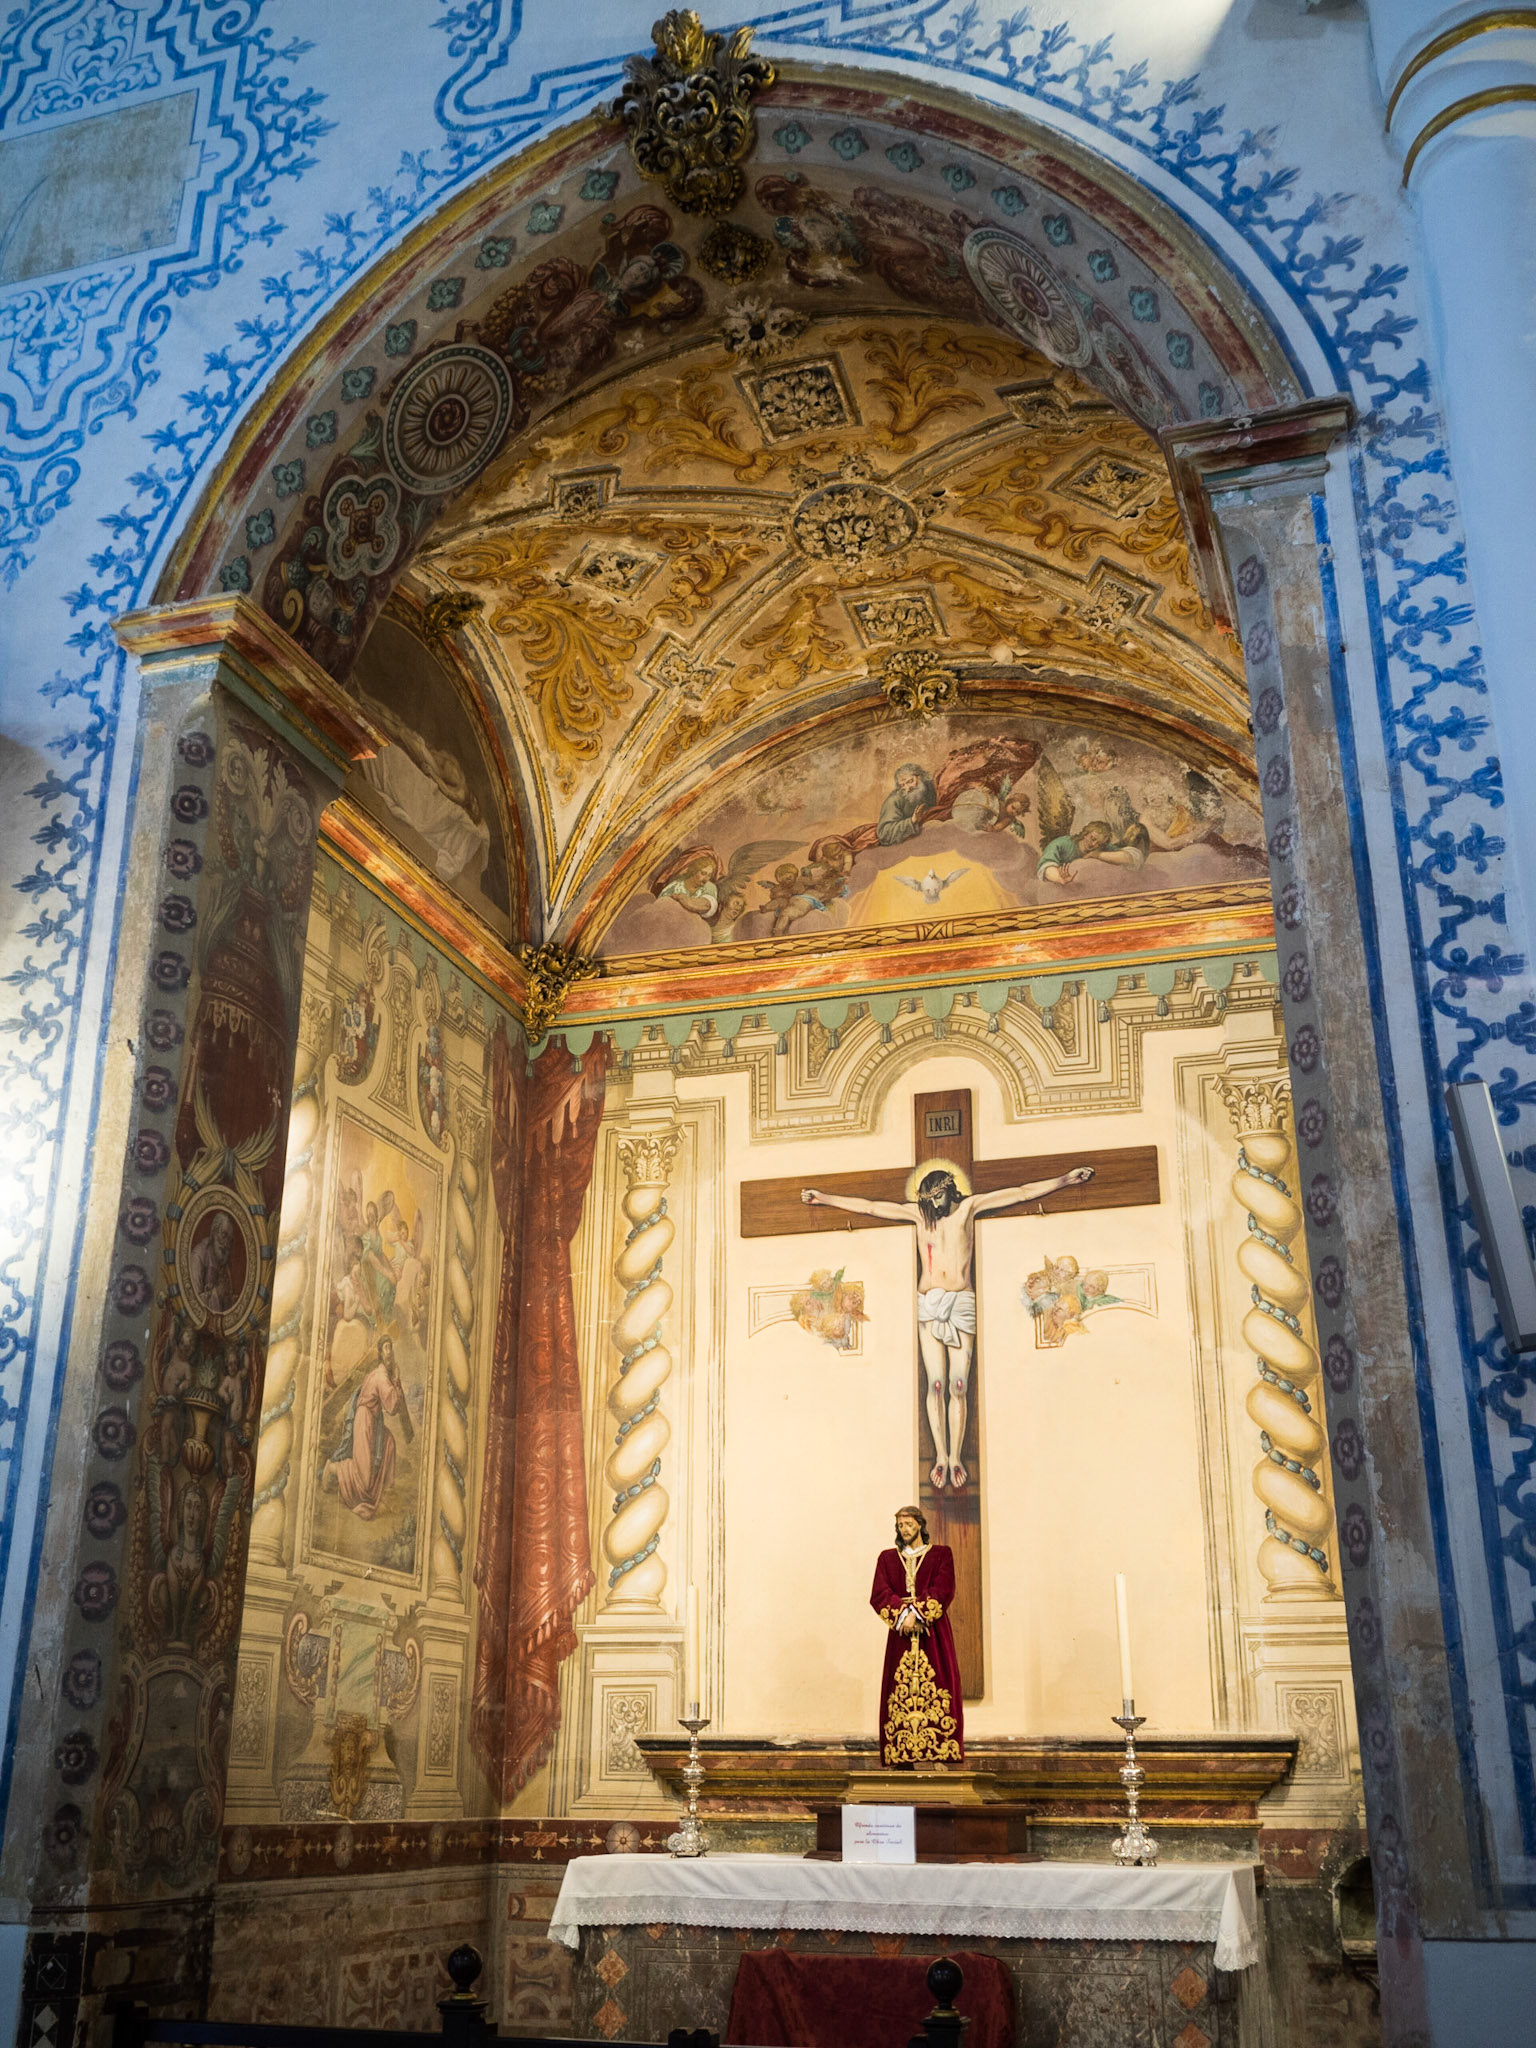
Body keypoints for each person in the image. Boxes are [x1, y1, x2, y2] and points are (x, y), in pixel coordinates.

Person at [803, 1160, 1094, 1488]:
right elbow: (871, 1207)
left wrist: (1064, 1180)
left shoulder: (969, 1207)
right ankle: (941, 1455)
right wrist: (825, 1198)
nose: (932, 1205)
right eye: (927, 1199)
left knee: (958, 1385)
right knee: (936, 1384)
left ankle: (956, 1456)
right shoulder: (918, 1215)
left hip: (960, 1303)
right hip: (928, 1305)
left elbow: (1021, 1193)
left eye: (937, 1198)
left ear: (950, 1192)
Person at [869, 1505, 963, 1766]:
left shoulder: (941, 1555)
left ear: (920, 1525)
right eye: (900, 1525)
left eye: (909, 1524)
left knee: (940, 1685)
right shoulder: (887, 1559)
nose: (905, 1530)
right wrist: (902, 1615)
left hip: (932, 1634)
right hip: (901, 1635)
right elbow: (879, 1593)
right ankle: (901, 1758)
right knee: (898, 1691)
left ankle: (939, 1755)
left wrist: (919, 1614)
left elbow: (944, 1588)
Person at [323, 1336, 414, 1520]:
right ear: (380, 1353)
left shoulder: (381, 1374)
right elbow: (392, 1405)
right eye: (386, 1348)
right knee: (363, 1479)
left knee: (389, 1443)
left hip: (373, 1420)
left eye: (391, 1348)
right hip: (365, 1421)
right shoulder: (381, 1375)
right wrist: (396, 1381)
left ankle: (386, 1492)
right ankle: (332, 1468)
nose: (390, 1352)